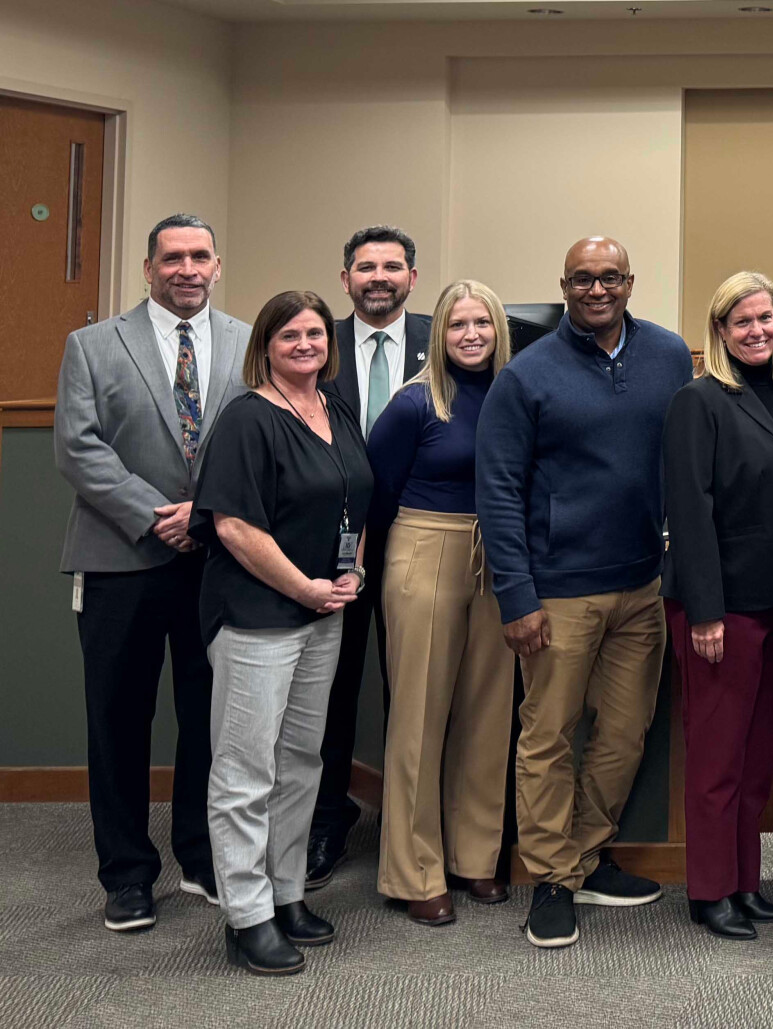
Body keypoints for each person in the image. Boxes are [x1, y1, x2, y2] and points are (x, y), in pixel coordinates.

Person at [476, 236, 692, 949]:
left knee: (625, 734)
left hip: (640, 583)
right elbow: (499, 491)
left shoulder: (667, 355)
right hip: (557, 590)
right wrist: (516, 596)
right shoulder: (527, 374)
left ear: (631, 281)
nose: (596, 289)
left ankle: (584, 854)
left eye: (610, 277)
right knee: (548, 738)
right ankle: (548, 879)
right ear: (563, 285)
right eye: (582, 279)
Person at [54, 213, 248, 932]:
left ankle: (200, 857)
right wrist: (156, 512)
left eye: (200, 256)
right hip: (120, 557)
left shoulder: (249, 341)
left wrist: (204, 513)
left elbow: (259, 437)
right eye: (172, 257)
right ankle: (128, 874)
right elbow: (79, 448)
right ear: (148, 268)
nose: (186, 269)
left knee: (208, 717)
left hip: (216, 560)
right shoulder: (93, 345)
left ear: (217, 265)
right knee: (117, 720)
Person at [191, 290, 372, 975]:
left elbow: (358, 496)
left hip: (325, 609)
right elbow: (235, 525)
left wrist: (353, 572)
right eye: (290, 334)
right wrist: (304, 587)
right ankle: (246, 913)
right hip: (257, 615)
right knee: (245, 770)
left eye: (316, 334)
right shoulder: (246, 419)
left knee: (301, 761)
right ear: (265, 343)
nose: (306, 344)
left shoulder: (337, 408)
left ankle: (287, 891)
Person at [664, 272, 773, 941]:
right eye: (741, 321)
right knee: (717, 758)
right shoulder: (699, 402)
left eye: (765, 318)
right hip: (720, 609)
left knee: (758, 758)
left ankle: (747, 880)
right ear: (720, 331)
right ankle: (709, 889)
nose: (756, 331)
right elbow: (689, 511)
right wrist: (704, 610)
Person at [369, 280, 515, 925]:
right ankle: (414, 869)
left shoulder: (515, 395)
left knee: (489, 711)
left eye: (481, 323)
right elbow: (375, 495)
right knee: (420, 717)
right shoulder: (412, 403)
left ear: (499, 329)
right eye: (457, 325)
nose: (471, 335)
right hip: (425, 548)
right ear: (439, 334)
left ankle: (474, 858)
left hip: (500, 555)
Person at [308, 225, 433, 888]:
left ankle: (415, 827)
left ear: (413, 277)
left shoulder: (445, 337)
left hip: (425, 539)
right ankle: (326, 823)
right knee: (333, 689)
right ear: (345, 277)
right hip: (335, 546)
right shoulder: (312, 338)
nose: (377, 277)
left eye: (391, 266)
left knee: (419, 688)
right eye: (364, 267)